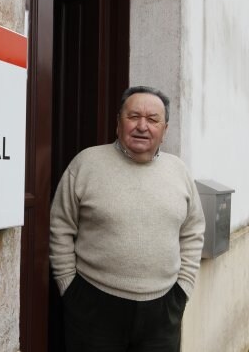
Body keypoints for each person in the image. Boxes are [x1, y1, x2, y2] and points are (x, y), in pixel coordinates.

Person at [50, 86, 205, 351]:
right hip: (93, 306)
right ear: (118, 123)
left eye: (153, 119)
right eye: (133, 116)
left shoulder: (179, 172)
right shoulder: (86, 164)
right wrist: (69, 286)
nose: (142, 126)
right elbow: (61, 226)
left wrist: (183, 289)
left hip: (163, 309)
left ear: (164, 130)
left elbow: (193, 230)